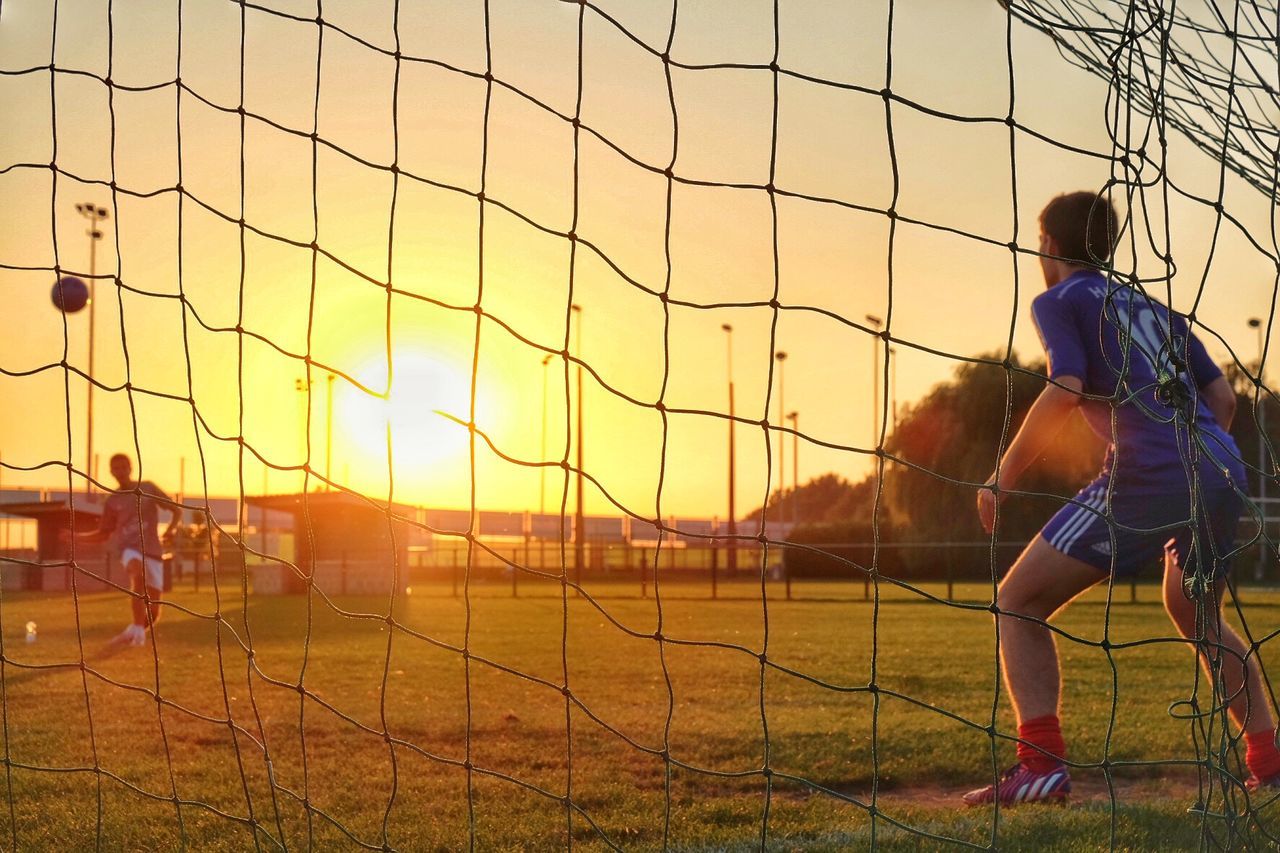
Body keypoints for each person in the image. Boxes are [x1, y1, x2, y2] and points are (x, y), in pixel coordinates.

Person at [963, 190, 1278, 806]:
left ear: (1047, 244)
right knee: (1197, 614)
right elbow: (1224, 402)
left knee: (1017, 601)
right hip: (1221, 469)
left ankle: (1041, 766)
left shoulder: (1057, 299)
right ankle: (1269, 759)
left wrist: (1003, 475)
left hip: (1147, 475)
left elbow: (1065, 385)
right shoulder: (1158, 310)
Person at [68, 453, 180, 646]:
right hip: (129, 549)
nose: (120, 471)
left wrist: (171, 529)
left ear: (130, 468)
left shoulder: (147, 488)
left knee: (154, 613)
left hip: (152, 550)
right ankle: (137, 632)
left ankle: (132, 631)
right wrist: (77, 538)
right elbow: (104, 533)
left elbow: (176, 510)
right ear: (111, 471)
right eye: (116, 468)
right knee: (138, 574)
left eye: (123, 467)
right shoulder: (112, 501)